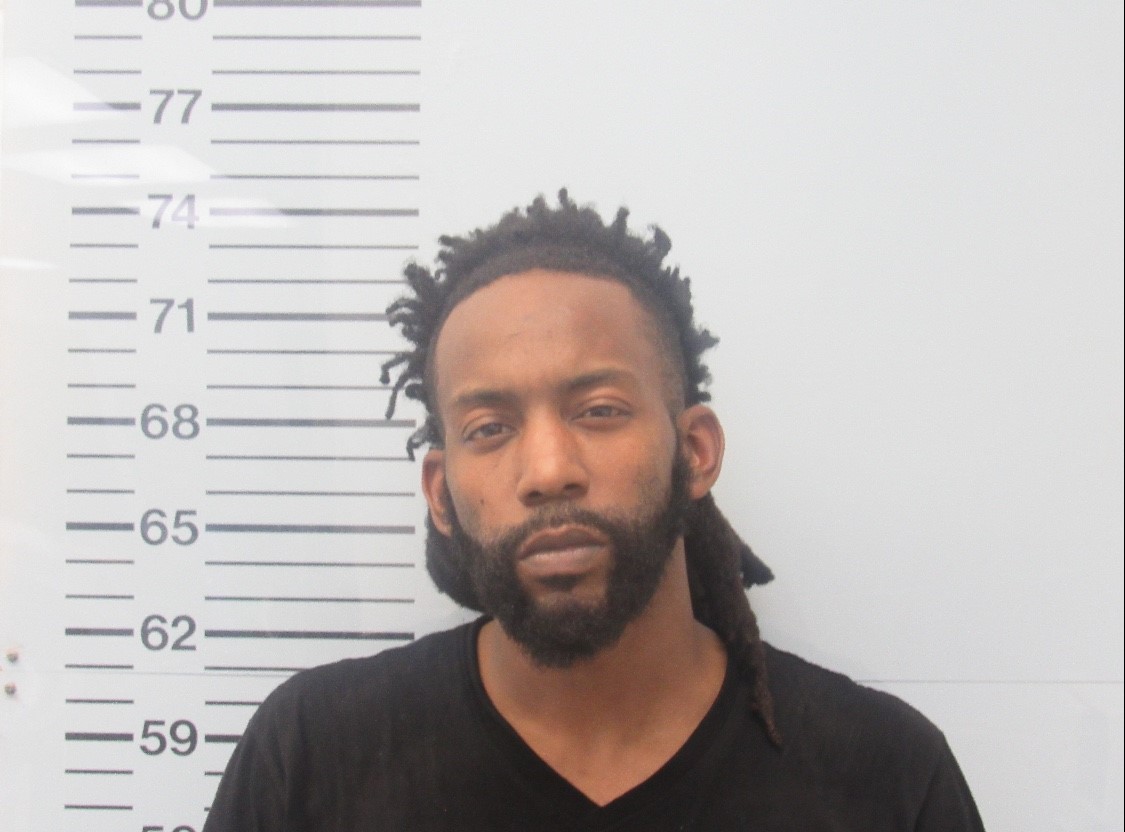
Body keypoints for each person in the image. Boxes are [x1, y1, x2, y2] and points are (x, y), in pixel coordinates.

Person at [203, 191, 985, 830]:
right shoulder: (311, 756)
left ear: (695, 452)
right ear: (440, 492)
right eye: (490, 428)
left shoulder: (884, 777)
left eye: (599, 410)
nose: (548, 471)